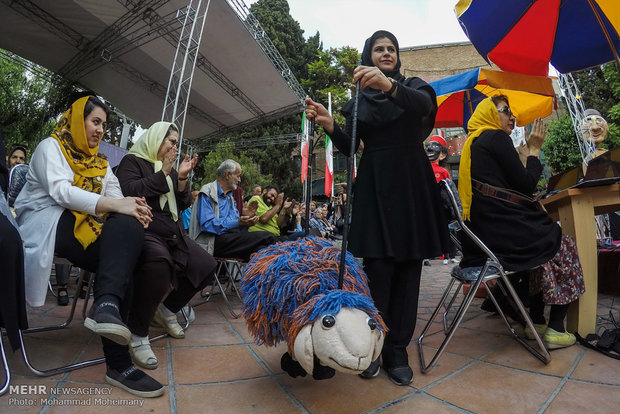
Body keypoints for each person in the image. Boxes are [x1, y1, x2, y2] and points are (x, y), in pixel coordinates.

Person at [305, 30, 449, 386]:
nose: (386, 53)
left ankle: (397, 348)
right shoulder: (359, 98)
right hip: (375, 183)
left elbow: (424, 108)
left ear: (398, 57)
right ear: (369, 55)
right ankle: (373, 342)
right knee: (378, 270)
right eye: (378, 49)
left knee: (408, 267)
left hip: (412, 182)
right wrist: (331, 124)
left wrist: (390, 86)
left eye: (391, 49)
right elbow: (350, 145)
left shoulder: (413, 86)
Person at [14, 95, 163, 397]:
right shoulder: (50, 147)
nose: (100, 131)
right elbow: (62, 193)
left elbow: (116, 195)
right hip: (48, 222)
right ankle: (119, 362)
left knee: (129, 235)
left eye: (104, 126)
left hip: (86, 225)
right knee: (122, 250)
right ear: (78, 120)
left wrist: (136, 207)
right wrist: (120, 205)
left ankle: (105, 307)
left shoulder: (99, 162)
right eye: (95, 122)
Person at [458, 95, 585, 349]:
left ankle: (535, 321)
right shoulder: (494, 137)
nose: (512, 116)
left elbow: (510, 186)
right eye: (505, 111)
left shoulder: (475, 143)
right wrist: (535, 149)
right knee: (562, 244)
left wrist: (523, 157)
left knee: (543, 247)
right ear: (490, 114)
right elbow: (527, 185)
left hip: (486, 236)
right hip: (505, 235)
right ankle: (556, 329)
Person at [115, 121, 217, 370]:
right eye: (171, 141)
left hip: (172, 232)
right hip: (145, 228)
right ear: (156, 139)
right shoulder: (132, 161)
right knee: (159, 265)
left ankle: (167, 308)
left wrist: (181, 178)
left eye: (176, 142)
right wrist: (164, 174)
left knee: (206, 264)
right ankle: (138, 332)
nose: (174, 146)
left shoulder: (169, 169)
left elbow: (180, 205)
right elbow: (129, 191)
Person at [189, 159, 275, 260]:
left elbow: (235, 224)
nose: (239, 180)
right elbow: (207, 225)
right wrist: (238, 222)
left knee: (261, 249)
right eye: (238, 176)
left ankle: (251, 275)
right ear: (228, 175)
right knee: (268, 237)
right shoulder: (208, 192)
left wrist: (246, 218)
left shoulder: (230, 197)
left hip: (230, 239)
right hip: (212, 241)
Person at [425, 135, 459, 265]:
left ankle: (448, 254)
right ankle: (431, 255)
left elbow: (449, 188)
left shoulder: (443, 172)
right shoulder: (424, 170)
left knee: (446, 229)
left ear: (442, 155)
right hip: (430, 205)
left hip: (441, 205)